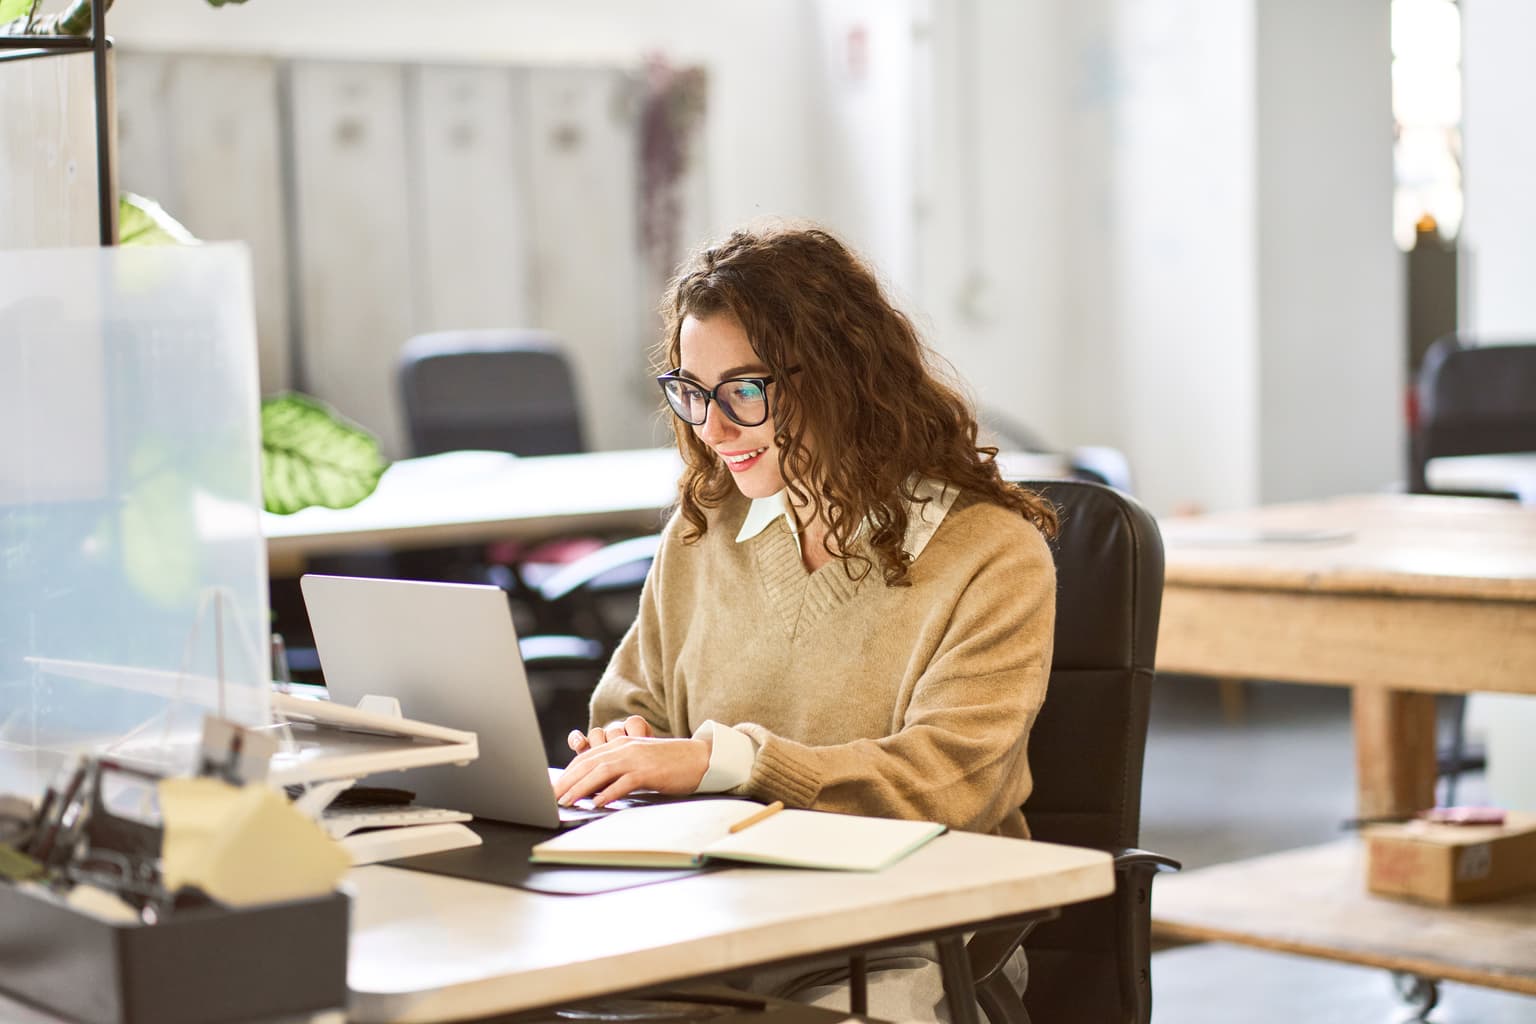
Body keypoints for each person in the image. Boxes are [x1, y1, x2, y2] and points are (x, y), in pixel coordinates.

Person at [554, 222, 1058, 1020]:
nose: (711, 430)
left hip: (904, 936)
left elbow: (947, 784)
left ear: (840, 377)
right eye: (691, 391)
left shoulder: (989, 554)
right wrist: (630, 748)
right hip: (712, 915)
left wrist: (724, 761)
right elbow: (630, 707)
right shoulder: (704, 527)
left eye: (743, 392)